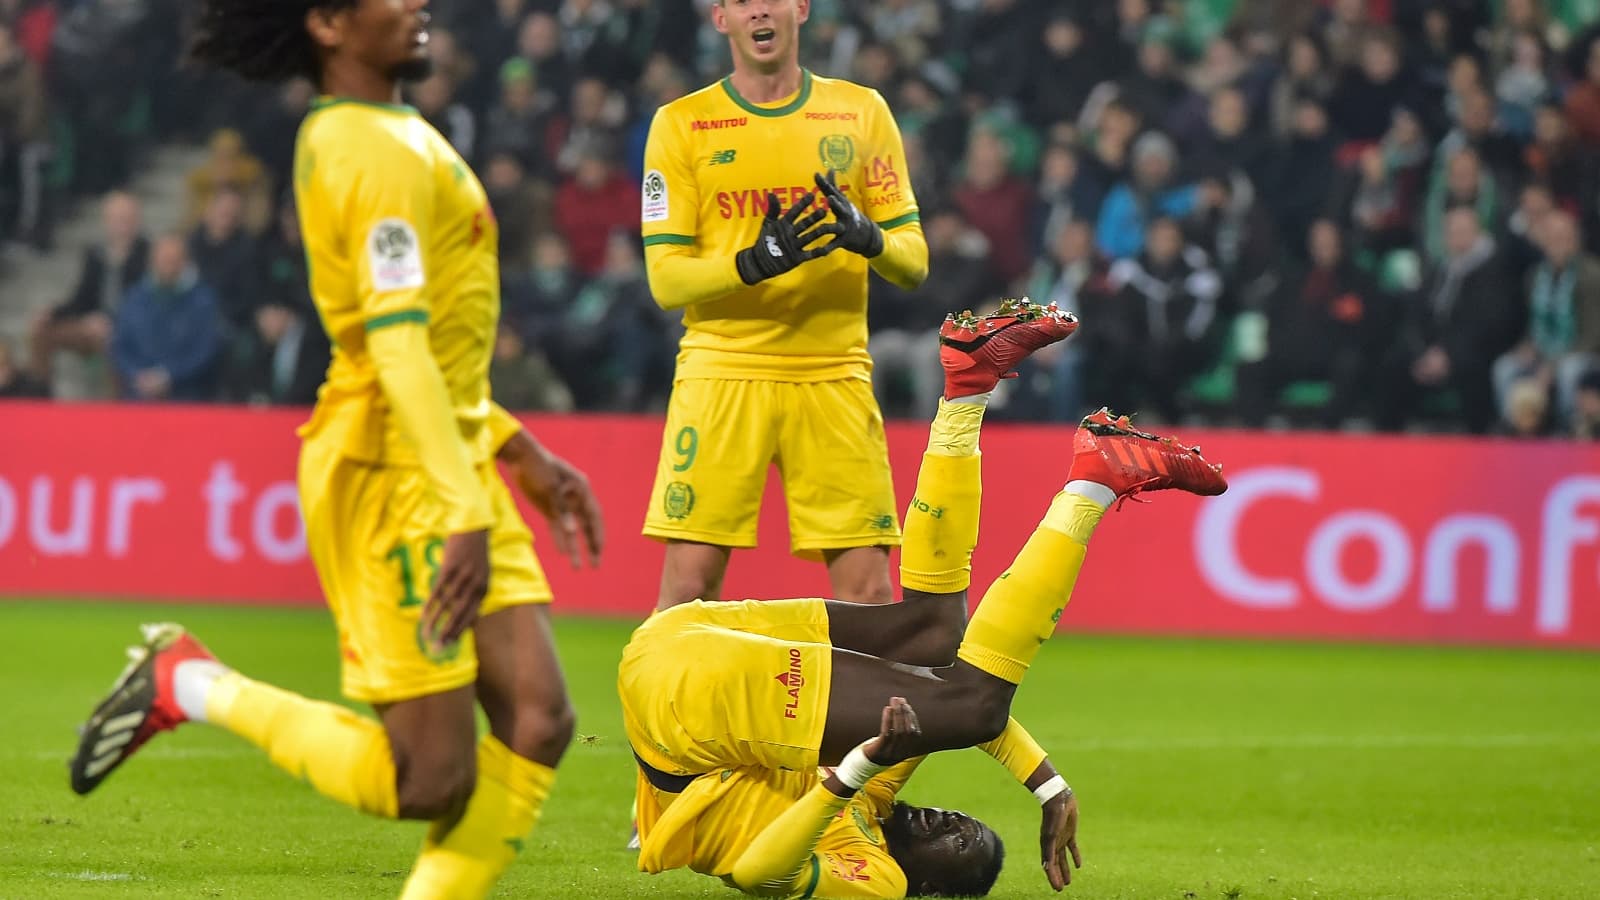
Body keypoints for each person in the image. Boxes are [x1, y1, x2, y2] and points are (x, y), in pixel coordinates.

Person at [70, 4, 605, 900]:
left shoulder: (400, 132)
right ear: (326, 23)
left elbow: (430, 345)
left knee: (541, 719)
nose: (418, 3)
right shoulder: (361, 148)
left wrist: (513, 448)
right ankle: (191, 682)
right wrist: (466, 507)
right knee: (429, 779)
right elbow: (392, 349)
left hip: (451, 451)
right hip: (394, 472)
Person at [624, 301, 1228, 897]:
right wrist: (1047, 785)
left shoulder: (876, 872)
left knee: (972, 701)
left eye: (963, 844)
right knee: (939, 640)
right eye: (970, 828)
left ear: (935, 891)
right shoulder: (878, 797)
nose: (952, 821)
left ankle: (1088, 474)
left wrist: (856, 770)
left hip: (682, 691)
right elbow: (950, 707)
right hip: (678, 666)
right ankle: (973, 392)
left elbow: (757, 875)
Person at [639, 0, 929, 610]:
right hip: (723, 370)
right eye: (741, 2)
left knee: (871, 593)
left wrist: (869, 238)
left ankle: (858, 711)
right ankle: (671, 709)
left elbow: (913, 261)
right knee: (689, 589)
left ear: (801, 9)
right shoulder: (682, 123)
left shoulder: (861, 111)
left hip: (833, 374)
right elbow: (666, 282)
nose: (759, 11)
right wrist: (752, 263)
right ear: (721, 18)